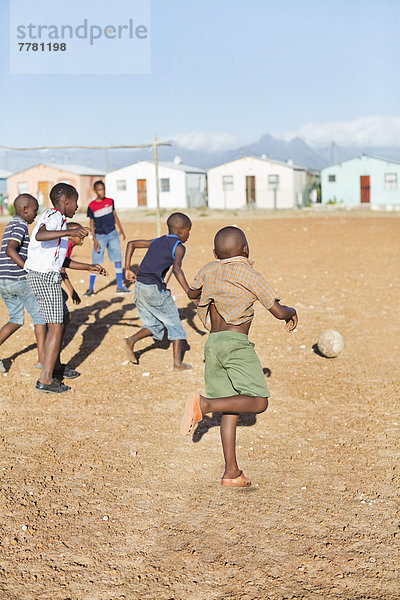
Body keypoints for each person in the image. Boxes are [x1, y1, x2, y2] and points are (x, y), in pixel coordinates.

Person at [181, 226, 298, 487]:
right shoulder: (250, 274)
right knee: (258, 402)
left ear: (214, 252)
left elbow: (192, 293)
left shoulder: (208, 269)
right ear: (246, 249)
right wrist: (292, 311)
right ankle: (204, 404)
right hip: (235, 343)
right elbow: (278, 311)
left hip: (213, 344)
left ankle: (231, 472)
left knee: (230, 407)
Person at [25, 183, 107, 394]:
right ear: (66, 201)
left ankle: (55, 366)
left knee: (64, 317)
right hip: (44, 277)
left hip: (45, 275)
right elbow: (40, 235)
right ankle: (45, 379)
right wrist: (70, 230)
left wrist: (89, 267)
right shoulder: (54, 217)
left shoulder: (56, 221)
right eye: (76, 201)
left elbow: (61, 261)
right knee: (56, 326)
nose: (77, 206)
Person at [124, 212, 192, 371]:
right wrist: (189, 292)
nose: (189, 235)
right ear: (181, 231)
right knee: (175, 324)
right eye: (189, 231)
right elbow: (177, 270)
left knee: (155, 325)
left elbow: (131, 244)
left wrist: (127, 268)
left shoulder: (156, 241)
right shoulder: (179, 247)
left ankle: (131, 341)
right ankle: (177, 364)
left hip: (139, 287)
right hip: (154, 289)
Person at [0, 194, 46, 372]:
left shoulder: (10, 224)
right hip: (18, 279)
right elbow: (10, 249)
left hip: (4, 280)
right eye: (35, 210)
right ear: (25, 210)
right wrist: (27, 267)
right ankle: (43, 360)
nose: (36, 214)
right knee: (40, 317)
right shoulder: (20, 225)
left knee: (16, 320)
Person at [84, 180, 129, 296]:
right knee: (95, 261)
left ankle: (120, 287)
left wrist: (121, 230)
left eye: (103, 189)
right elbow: (91, 224)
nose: (102, 192)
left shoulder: (110, 202)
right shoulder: (92, 206)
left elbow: (115, 215)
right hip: (99, 236)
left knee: (117, 258)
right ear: (95, 191)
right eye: (99, 190)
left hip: (112, 234)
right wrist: (94, 240)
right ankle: (90, 289)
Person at [61, 222, 86, 306]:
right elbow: (62, 270)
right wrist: (72, 291)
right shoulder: (66, 246)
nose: (83, 236)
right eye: (79, 233)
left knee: (63, 298)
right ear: (70, 236)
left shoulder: (68, 246)